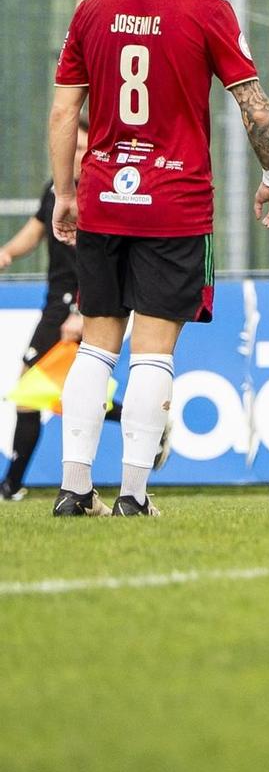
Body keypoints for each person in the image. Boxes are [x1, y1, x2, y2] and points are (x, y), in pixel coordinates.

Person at [47, 0, 269, 518]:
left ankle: (74, 491)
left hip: (103, 197)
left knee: (96, 347)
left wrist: (67, 193)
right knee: (153, 352)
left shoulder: (93, 8)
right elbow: (255, 106)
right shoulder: (209, 12)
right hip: (172, 204)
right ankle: (133, 496)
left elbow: (61, 112)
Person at [0, 126, 112, 500]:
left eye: (83, 147)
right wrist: (8, 253)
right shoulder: (57, 189)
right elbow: (36, 230)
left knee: (30, 391)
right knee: (64, 389)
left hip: (74, 306)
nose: (76, 153)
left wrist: (81, 311)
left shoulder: (100, 192)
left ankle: (11, 485)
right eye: (73, 146)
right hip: (55, 302)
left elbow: (105, 257)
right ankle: (146, 421)